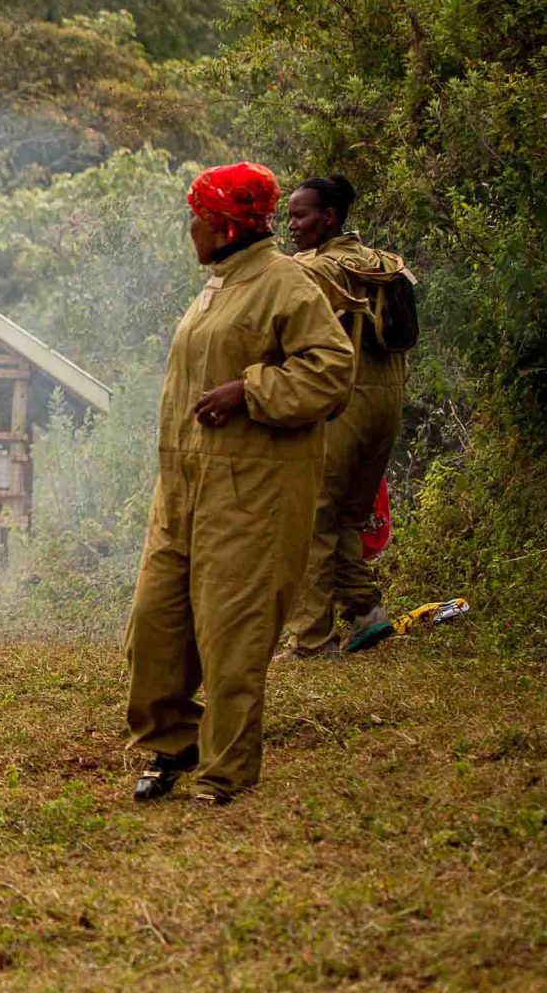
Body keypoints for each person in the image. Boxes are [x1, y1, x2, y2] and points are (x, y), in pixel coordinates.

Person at [125, 163, 355, 806]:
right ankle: (173, 741)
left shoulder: (288, 284)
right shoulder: (220, 286)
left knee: (235, 633)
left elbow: (332, 371)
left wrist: (251, 391)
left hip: (252, 492)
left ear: (223, 224)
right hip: (184, 489)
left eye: (196, 217)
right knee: (155, 625)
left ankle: (225, 770)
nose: (190, 230)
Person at [281, 175, 413, 657]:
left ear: (329, 217)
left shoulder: (315, 269)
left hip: (343, 404)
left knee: (309, 518)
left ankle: (312, 639)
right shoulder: (383, 263)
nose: (290, 225)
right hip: (386, 406)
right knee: (345, 516)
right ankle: (366, 613)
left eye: (300, 215)